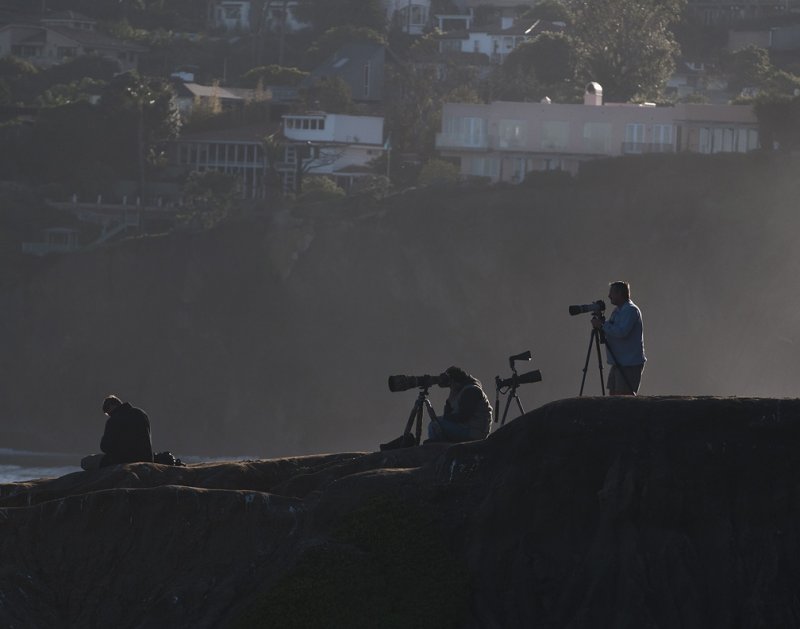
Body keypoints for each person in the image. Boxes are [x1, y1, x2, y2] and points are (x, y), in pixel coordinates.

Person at [591, 280, 646, 395]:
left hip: (629, 363)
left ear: (620, 293)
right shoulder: (618, 311)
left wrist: (602, 324)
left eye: (612, 293)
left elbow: (622, 332)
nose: (609, 296)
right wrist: (601, 321)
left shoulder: (631, 310)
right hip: (619, 362)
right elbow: (612, 328)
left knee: (623, 398)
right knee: (613, 395)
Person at [81, 395, 154, 470]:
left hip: (123, 460)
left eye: (107, 412)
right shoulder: (141, 413)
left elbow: (105, 446)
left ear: (112, 406)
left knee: (85, 462)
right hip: (146, 458)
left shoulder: (114, 419)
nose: (109, 415)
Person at [427, 366, 493, 443]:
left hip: (475, 431)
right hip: (468, 428)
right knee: (437, 422)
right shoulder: (459, 391)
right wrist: (451, 396)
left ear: (454, 380)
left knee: (434, 425)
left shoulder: (471, 390)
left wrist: (444, 418)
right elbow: (449, 414)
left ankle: (439, 448)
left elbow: (463, 417)